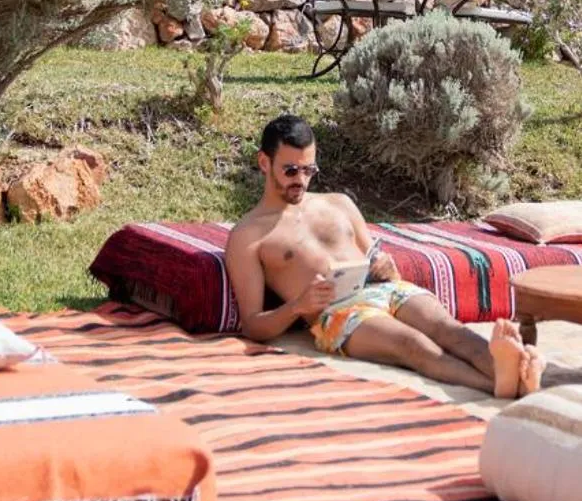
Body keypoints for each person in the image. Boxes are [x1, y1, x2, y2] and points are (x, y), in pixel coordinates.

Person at [224, 114, 543, 398]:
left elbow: (376, 256)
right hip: (338, 315)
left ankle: (515, 372)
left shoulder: (338, 203)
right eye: (291, 170)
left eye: (309, 169)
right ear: (264, 163)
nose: (302, 180)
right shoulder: (249, 236)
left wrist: (388, 267)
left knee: (450, 330)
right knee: (414, 346)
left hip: (385, 289)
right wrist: (298, 306)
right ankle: (502, 384)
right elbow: (252, 326)